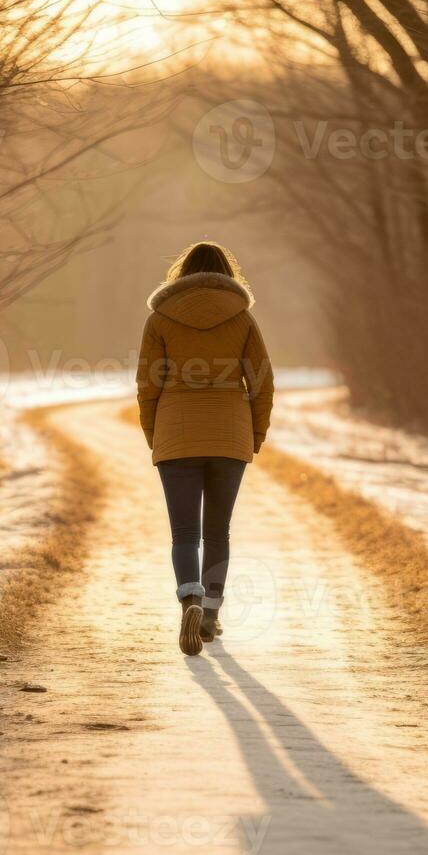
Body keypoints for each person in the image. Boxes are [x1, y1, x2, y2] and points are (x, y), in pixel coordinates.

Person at [136, 242, 274, 656]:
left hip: (176, 433)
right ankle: (211, 613)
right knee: (218, 531)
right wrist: (255, 435)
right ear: (226, 272)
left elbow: (148, 386)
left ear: (182, 273)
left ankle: (189, 601)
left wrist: (154, 435)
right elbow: (262, 384)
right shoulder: (243, 318)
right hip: (229, 433)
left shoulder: (160, 319)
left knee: (184, 533)